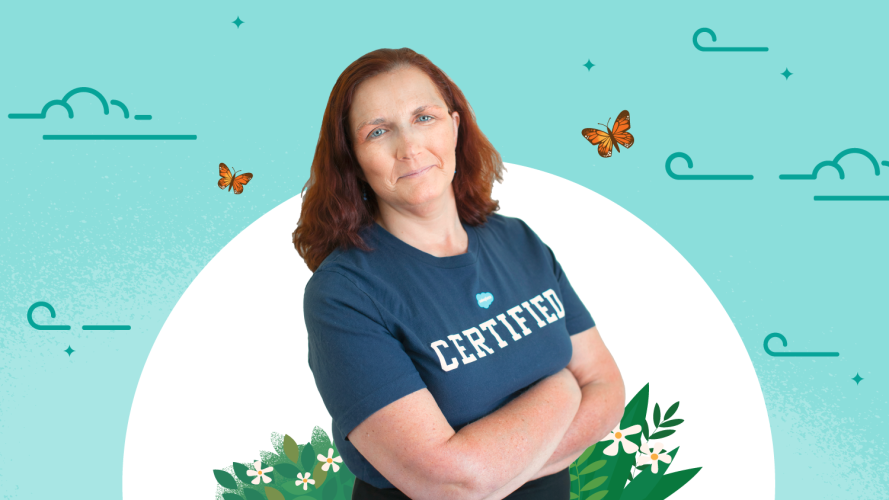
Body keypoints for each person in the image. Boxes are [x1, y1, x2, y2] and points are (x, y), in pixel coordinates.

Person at [293, 47, 625, 500]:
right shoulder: (344, 294)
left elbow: (607, 390)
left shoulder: (518, 241)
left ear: (455, 124)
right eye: (378, 131)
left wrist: (487, 476)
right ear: (351, 157)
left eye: (424, 118)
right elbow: (448, 481)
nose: (409, 147)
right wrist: (563, 388)